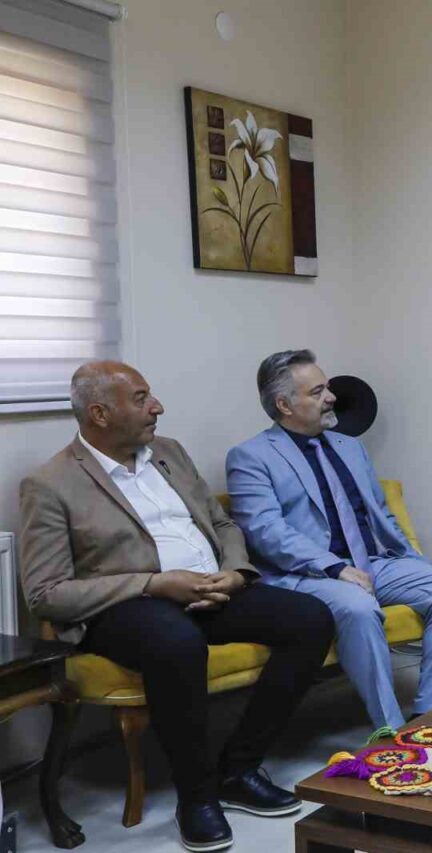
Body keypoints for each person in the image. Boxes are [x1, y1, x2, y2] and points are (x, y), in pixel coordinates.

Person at [19, 361, 334, 853]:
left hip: (211, 588)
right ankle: (197, 796)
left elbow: (223, 525)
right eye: (141, 398)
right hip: (127, 607)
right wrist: (154, 584)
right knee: (177, 643)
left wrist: (235, 572)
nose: (157, 407)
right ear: (99, 414)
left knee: (310, 619)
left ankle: (239, 769)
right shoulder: (51, 483)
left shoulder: (169, 453)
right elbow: (46, 592)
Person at [225, 350, 432, 730]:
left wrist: (410, 557)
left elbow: (380, 512)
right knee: (358, 607)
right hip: (309, 575)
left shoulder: (349, 446)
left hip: (371, 563)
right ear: (284, 405)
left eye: (327, 387)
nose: (331, 397)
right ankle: (390, 730)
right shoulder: (250, 457)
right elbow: (266, 532)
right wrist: (335, 568)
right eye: (317, 392)